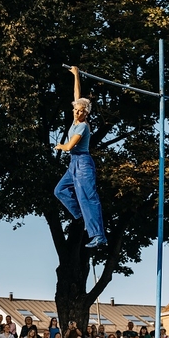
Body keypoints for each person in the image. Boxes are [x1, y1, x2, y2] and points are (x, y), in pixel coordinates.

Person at [53, 66, 107, 248]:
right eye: (76, 110)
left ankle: (99, 235)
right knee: (60, 190)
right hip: (73, 165)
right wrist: (76, 75)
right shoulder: (76, 118)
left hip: (83, 162)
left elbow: (69, 146)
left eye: (81, 111)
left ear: (86, 113)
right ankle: (81, 216)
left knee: (88, 197)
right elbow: (77, 96)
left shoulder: (83, 127)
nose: (77, 112)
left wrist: (60, 145)